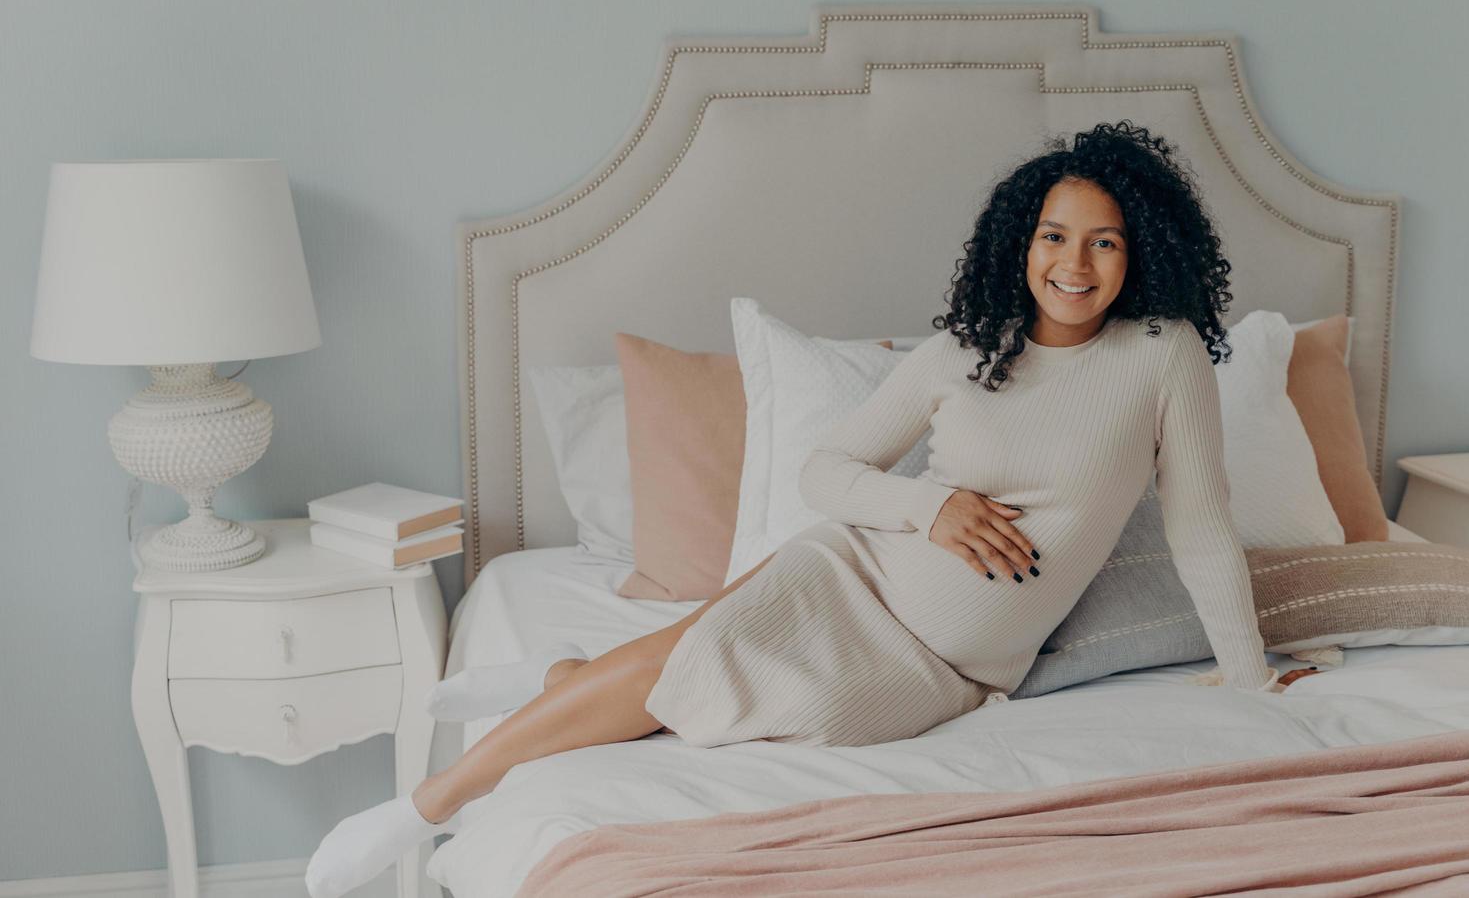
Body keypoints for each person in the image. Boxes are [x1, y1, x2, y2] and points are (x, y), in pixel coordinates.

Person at [304, 119, 1317, 897]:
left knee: (732, 704)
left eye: (1105, 242)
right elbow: (827, 471)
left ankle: (563, 678)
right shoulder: (962, 351)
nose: (1075, 263)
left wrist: (1248, 671)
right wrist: (932, 508)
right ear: (1022, 238)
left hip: (950, 667)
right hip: (852, 572)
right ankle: (423, 805)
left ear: (1143, 252)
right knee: (684, 666)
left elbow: (1199, 521)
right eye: (1056, 234)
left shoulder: (1162, 356)